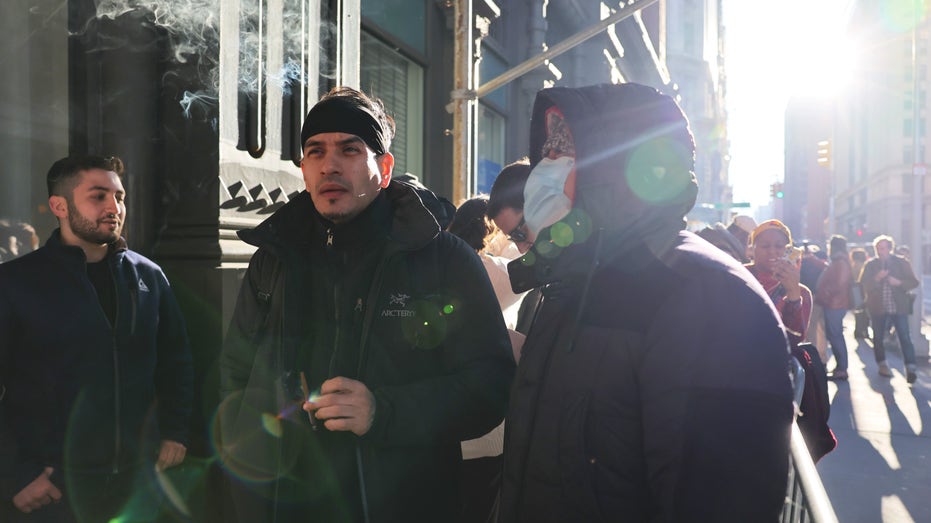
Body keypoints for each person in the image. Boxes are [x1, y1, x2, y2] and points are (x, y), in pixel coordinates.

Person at [498, 83, 794, 522]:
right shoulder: (574, 284)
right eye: (546, 152)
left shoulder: (709, 295)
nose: (544, 170)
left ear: (614, 170)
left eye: (564, 152)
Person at [218, 86, 515, 522]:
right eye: (315, 151)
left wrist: (383, 411)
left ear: (385, 167)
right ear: (302, 168)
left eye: (350, 150)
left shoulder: (443, 258)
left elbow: (491, 385)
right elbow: (234, 375)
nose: (330, 165)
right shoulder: (274, 258)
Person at [0, 155, 193, 522]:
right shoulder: (14, 284)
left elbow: (176, 361)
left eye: (119, 197)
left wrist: (175, 431)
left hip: (138, 482)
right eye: (98, 196)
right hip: (51, 488)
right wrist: (15, 474)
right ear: (59, 206)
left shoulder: (149, 276)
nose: (114, 207)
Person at [447, 195, 526, 523]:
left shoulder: (440, 263)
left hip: (445, 428)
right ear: (491, 230)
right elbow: (530, 269)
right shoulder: (494, 271)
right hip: (488, 428)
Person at [745, 220, 835, 461]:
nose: (773, 252)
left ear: (788, 249)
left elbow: (795, 339)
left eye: (779, 246)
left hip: (775, 377)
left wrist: (793, 292)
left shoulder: (801, 290)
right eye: (765, 246)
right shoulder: (737, 275)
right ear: (752, 248)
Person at [860, 234, 920, 383]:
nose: (881, 251)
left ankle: (911, 367)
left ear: (890, 248)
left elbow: (914, 282)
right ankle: (882, 364)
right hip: (877, 307)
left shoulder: (901, 263)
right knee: (878, 337)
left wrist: (899, 282)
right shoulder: (871, 265)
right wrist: (877, 279)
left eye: (884, 248)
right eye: (878, 248)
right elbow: (864, 285)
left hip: (898, 307)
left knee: (905, 337)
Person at [815, 235, 852, 380]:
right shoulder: (839, 261)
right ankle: (840, 367)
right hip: (834, 303)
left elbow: (839, 284)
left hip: (835, 304)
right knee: (834, 335)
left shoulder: (840, 261)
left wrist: (825, 294)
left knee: (836, 335)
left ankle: (842, 368)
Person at [850, 247, 870, 339]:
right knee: (864, 312)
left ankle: (859, 330)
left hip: (856, 290)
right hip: (863, 290)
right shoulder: (865, 265)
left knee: (858, 312)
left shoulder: (853, 266)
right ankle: (863, 330)